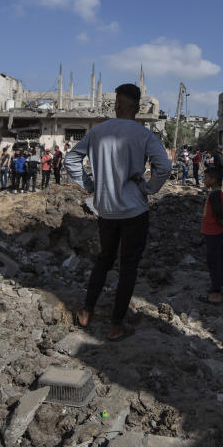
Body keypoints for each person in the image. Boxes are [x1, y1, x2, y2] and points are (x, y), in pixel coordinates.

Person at [67, 83, 170, 342]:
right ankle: (116, 326)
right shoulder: (143, 134)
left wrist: (91, 186)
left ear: (116, 105)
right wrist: (148, 188)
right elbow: (164, 167)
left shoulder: (98, 131)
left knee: (103, 260)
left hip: (106, 211)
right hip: (135, 210)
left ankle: (86, 312)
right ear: (137, 107)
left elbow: (71, 160)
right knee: (128, 268)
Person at [201, 165, 223, 304]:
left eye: (206, 178)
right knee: (222, 259)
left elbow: (220, 214)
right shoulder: (220, 194)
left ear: (213, 180)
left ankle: (215, 293)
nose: (204, 180)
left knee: (214, 262)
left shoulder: (214, 196)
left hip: (212, 232)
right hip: (218, 232)